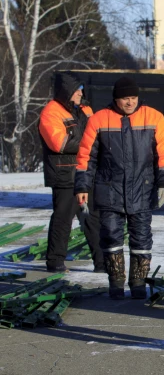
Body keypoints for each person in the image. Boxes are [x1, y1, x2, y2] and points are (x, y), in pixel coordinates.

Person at [74, 77, 164, 300]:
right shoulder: (99, 120)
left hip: (143, 189)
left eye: (133, 98)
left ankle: (138, 283)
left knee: (141, 238)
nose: (130, 103)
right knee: (110, 237)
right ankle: (116, 283)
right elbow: (86, 157)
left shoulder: (154, 117)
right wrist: (82, 186)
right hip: (109, 190)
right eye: (125, 99)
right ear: (116, 99)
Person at [39, 72, 104, 273]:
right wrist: (91, 142)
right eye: (77, 89)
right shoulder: (51, 113)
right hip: (64, 175)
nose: (80, 93)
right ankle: (55, 262)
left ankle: (102, 263)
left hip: (86, 172)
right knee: (63, 218)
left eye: (81, 89)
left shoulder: (85, 109)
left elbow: (98, 131)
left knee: (94, 218)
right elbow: (60, 143)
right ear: (66, 91)